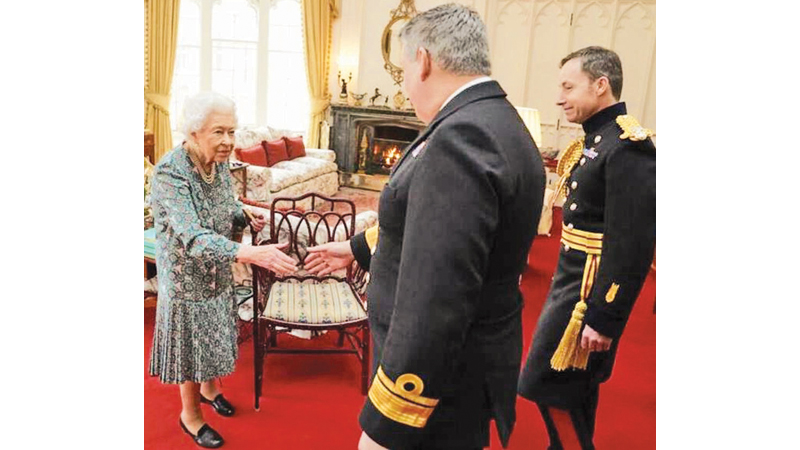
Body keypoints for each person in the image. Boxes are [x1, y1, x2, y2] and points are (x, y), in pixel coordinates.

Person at [304, 4, 545, 449]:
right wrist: (358, 248)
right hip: (470, 362)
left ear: (424, 60)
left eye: (403, 70)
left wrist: (390, 418)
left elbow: (437, 293)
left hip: (437, 384)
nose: (405, 84)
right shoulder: (495, 120)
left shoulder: (460, 138)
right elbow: (440, 228)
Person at [517, 46, 656, 449]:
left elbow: (631, 243)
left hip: (588, 293)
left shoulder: (627, 147)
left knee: (548, 382)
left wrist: (605, 316)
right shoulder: (598, 139)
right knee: (573, 389)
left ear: (600, 85)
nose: (559, 98)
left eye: (568, 87)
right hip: (573, 283)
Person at [148, 92, 297, 448]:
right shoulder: (170, 172)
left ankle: (210, 389)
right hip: (185, 279)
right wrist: (249, 253)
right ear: (194, 132)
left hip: (216, 270)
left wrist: (243, 215)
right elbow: (192, 235)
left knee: (214, 332)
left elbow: (226, 205)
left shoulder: (218, 166)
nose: (228, 141)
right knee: (192, 346)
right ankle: (190, 416)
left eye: (232, 131)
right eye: (219, 132)